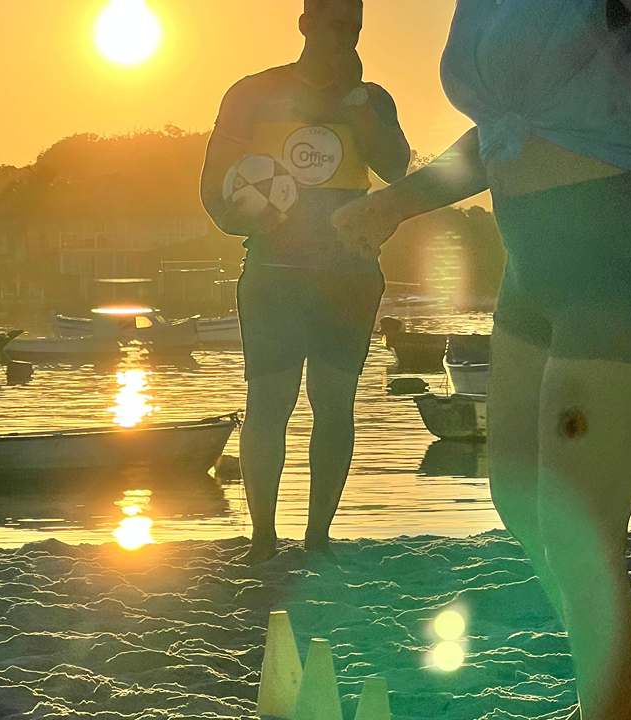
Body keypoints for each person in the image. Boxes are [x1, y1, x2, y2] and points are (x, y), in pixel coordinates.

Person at [331, 1, 631, 718]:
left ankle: (611, 708)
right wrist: (394, 204)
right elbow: (502, 134)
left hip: (624, 262)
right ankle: (617, 702)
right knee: (518, 497)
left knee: (578, 532)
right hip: (533, 271)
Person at [200, 0, 411, 563]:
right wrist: (242, 220)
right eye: (334, 25)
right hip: (274, 274)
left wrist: (357, 102)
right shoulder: (251, 93)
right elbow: (213, 188)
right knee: (269, 404)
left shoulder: (372, 98)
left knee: (334, 405)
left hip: (350, 275)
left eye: (354, 28)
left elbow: (396, 168)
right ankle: (262, 539)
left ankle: (318, 538)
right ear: (304, 23)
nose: (345, 37)